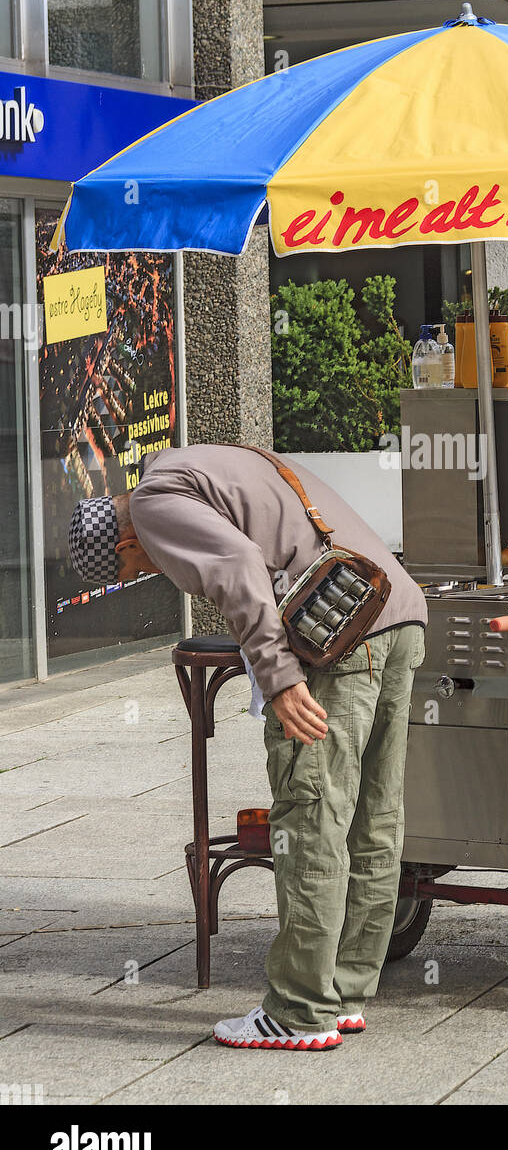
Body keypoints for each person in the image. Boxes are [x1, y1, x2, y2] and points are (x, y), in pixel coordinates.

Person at [67, 444, 427, 1053]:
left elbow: (236, 563)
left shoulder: (153, 505)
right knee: (374, 816)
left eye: (133, 570)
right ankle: (343, 993)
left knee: (312, 816)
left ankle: (299, 1012)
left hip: (340, 638)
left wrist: (278, 676)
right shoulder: (203, 464)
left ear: (126, 542)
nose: (148, 572)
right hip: (394, 610)